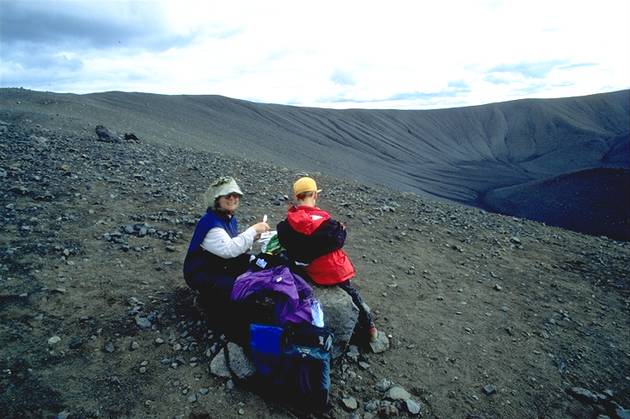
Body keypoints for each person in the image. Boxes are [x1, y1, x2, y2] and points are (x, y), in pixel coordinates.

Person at [276, 176, 378, 343]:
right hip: (329, 272)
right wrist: (340, 229)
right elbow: (338, 239)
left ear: (297, 197)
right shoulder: (327, 223)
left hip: (305, 270)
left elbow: (284, 241)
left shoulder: (286, 225)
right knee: (350, 291)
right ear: (315, 195)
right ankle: (369, 326)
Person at [183, 176, 269, 338]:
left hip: (216, 265)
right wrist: (252, 230)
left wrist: (253, 238)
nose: (233, 198)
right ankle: (214, 310)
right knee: (237, 290)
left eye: (236, 195)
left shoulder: (227, 219)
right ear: (217, 199)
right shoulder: (210, 223)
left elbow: (232, 245)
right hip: (201, 273)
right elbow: (228, 250)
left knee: (251, 266)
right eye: (227, 195)